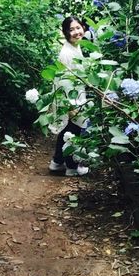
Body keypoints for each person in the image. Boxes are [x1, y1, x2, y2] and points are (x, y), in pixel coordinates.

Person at [48, 16, 89, 177]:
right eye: (71, 30)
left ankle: (57, 162)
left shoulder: (76, 47)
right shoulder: (66, 53)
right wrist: (70, 106)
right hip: (70, 98)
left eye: (78, 27)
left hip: (76, 95)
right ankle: (71, 167)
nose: (76, 32)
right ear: (65, 33)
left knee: (67, 130)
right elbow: (63, 82)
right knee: (72, 133)